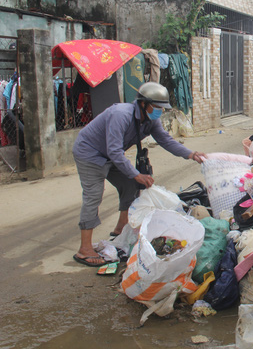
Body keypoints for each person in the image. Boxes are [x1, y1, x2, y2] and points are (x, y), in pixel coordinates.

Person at [72, 82, 206, 267]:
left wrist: (191, 154)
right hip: (90, 153)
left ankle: (120, 229)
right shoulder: (121, 115)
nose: (160, 111)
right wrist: (136, 174)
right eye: (157, 107)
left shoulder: (150, 119)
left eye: (162, 108)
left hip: (112, 155)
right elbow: (114, 150)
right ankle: (84, 249)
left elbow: (166, 140)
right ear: (143, 103)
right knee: (93, 196)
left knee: (130, 186)